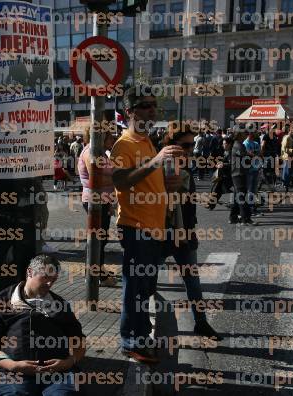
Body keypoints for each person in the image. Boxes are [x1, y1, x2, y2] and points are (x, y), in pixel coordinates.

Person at [110, 85, 184, 364]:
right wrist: (155, 162)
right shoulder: (125, 143)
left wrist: (169, 182)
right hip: (136, 227)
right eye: (145, 105)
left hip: (154, 228)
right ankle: (133, 341)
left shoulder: (147, 141)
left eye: (154, 105)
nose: (152, 109)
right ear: (129, 111)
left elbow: (146, 179)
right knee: (135, 289)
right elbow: (119, 180)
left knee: (145, 289)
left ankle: (140, 337)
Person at [0, 255, 86, 396]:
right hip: (16, 373)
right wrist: (13, 366)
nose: (50, 284)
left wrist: (68, 362)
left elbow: (79, 342)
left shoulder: (59, 305)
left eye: (54, 280)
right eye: (45, 277)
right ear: (30, 272)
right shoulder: (2, 301)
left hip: (56, 374)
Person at [161, 126, 222, 340]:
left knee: (192, 281)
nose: (189, 149)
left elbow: (188, 205)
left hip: (185, 232)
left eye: (191, 145)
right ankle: (145, 325)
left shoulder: (186, 165)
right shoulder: (164, 166)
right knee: (146, 280)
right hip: (162, 233)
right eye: (185, 145)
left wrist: (190, 230)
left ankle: (201, 323)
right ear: (172, 145)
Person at [78, 127, 118, 287]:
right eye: (110, 137)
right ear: (101, 138)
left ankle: (98, 269)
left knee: (101, 239)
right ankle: (96, 275)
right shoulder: (90, 153)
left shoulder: (101, 153)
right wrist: (117, 179)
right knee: (97, 240)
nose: (112, 141)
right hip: (95, 201)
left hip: (103, 200)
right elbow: (97, 179)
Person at [229, 126, 254, 225]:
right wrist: (251, 156)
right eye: (244, 133)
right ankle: (246, 218)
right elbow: (246, 158)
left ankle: (233, 217)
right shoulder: (238, 145)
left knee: (237, 196)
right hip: (239, 173)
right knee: (241, 196)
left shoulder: (238, 144)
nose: (246, 134)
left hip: (238, 173)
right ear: (239, 134)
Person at [243, 131, 262, 216]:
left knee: (254, 189)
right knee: (250, 189)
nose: (254, 135)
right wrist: (254, 154)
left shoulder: (256, 143)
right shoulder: (245, 143)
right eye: (252, 133)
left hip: (256, 168)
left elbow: (259, 154)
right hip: (249, 170)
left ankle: (253, 207)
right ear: (248, 134)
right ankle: (250, 208)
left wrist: (254, 155)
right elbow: (249, 155)